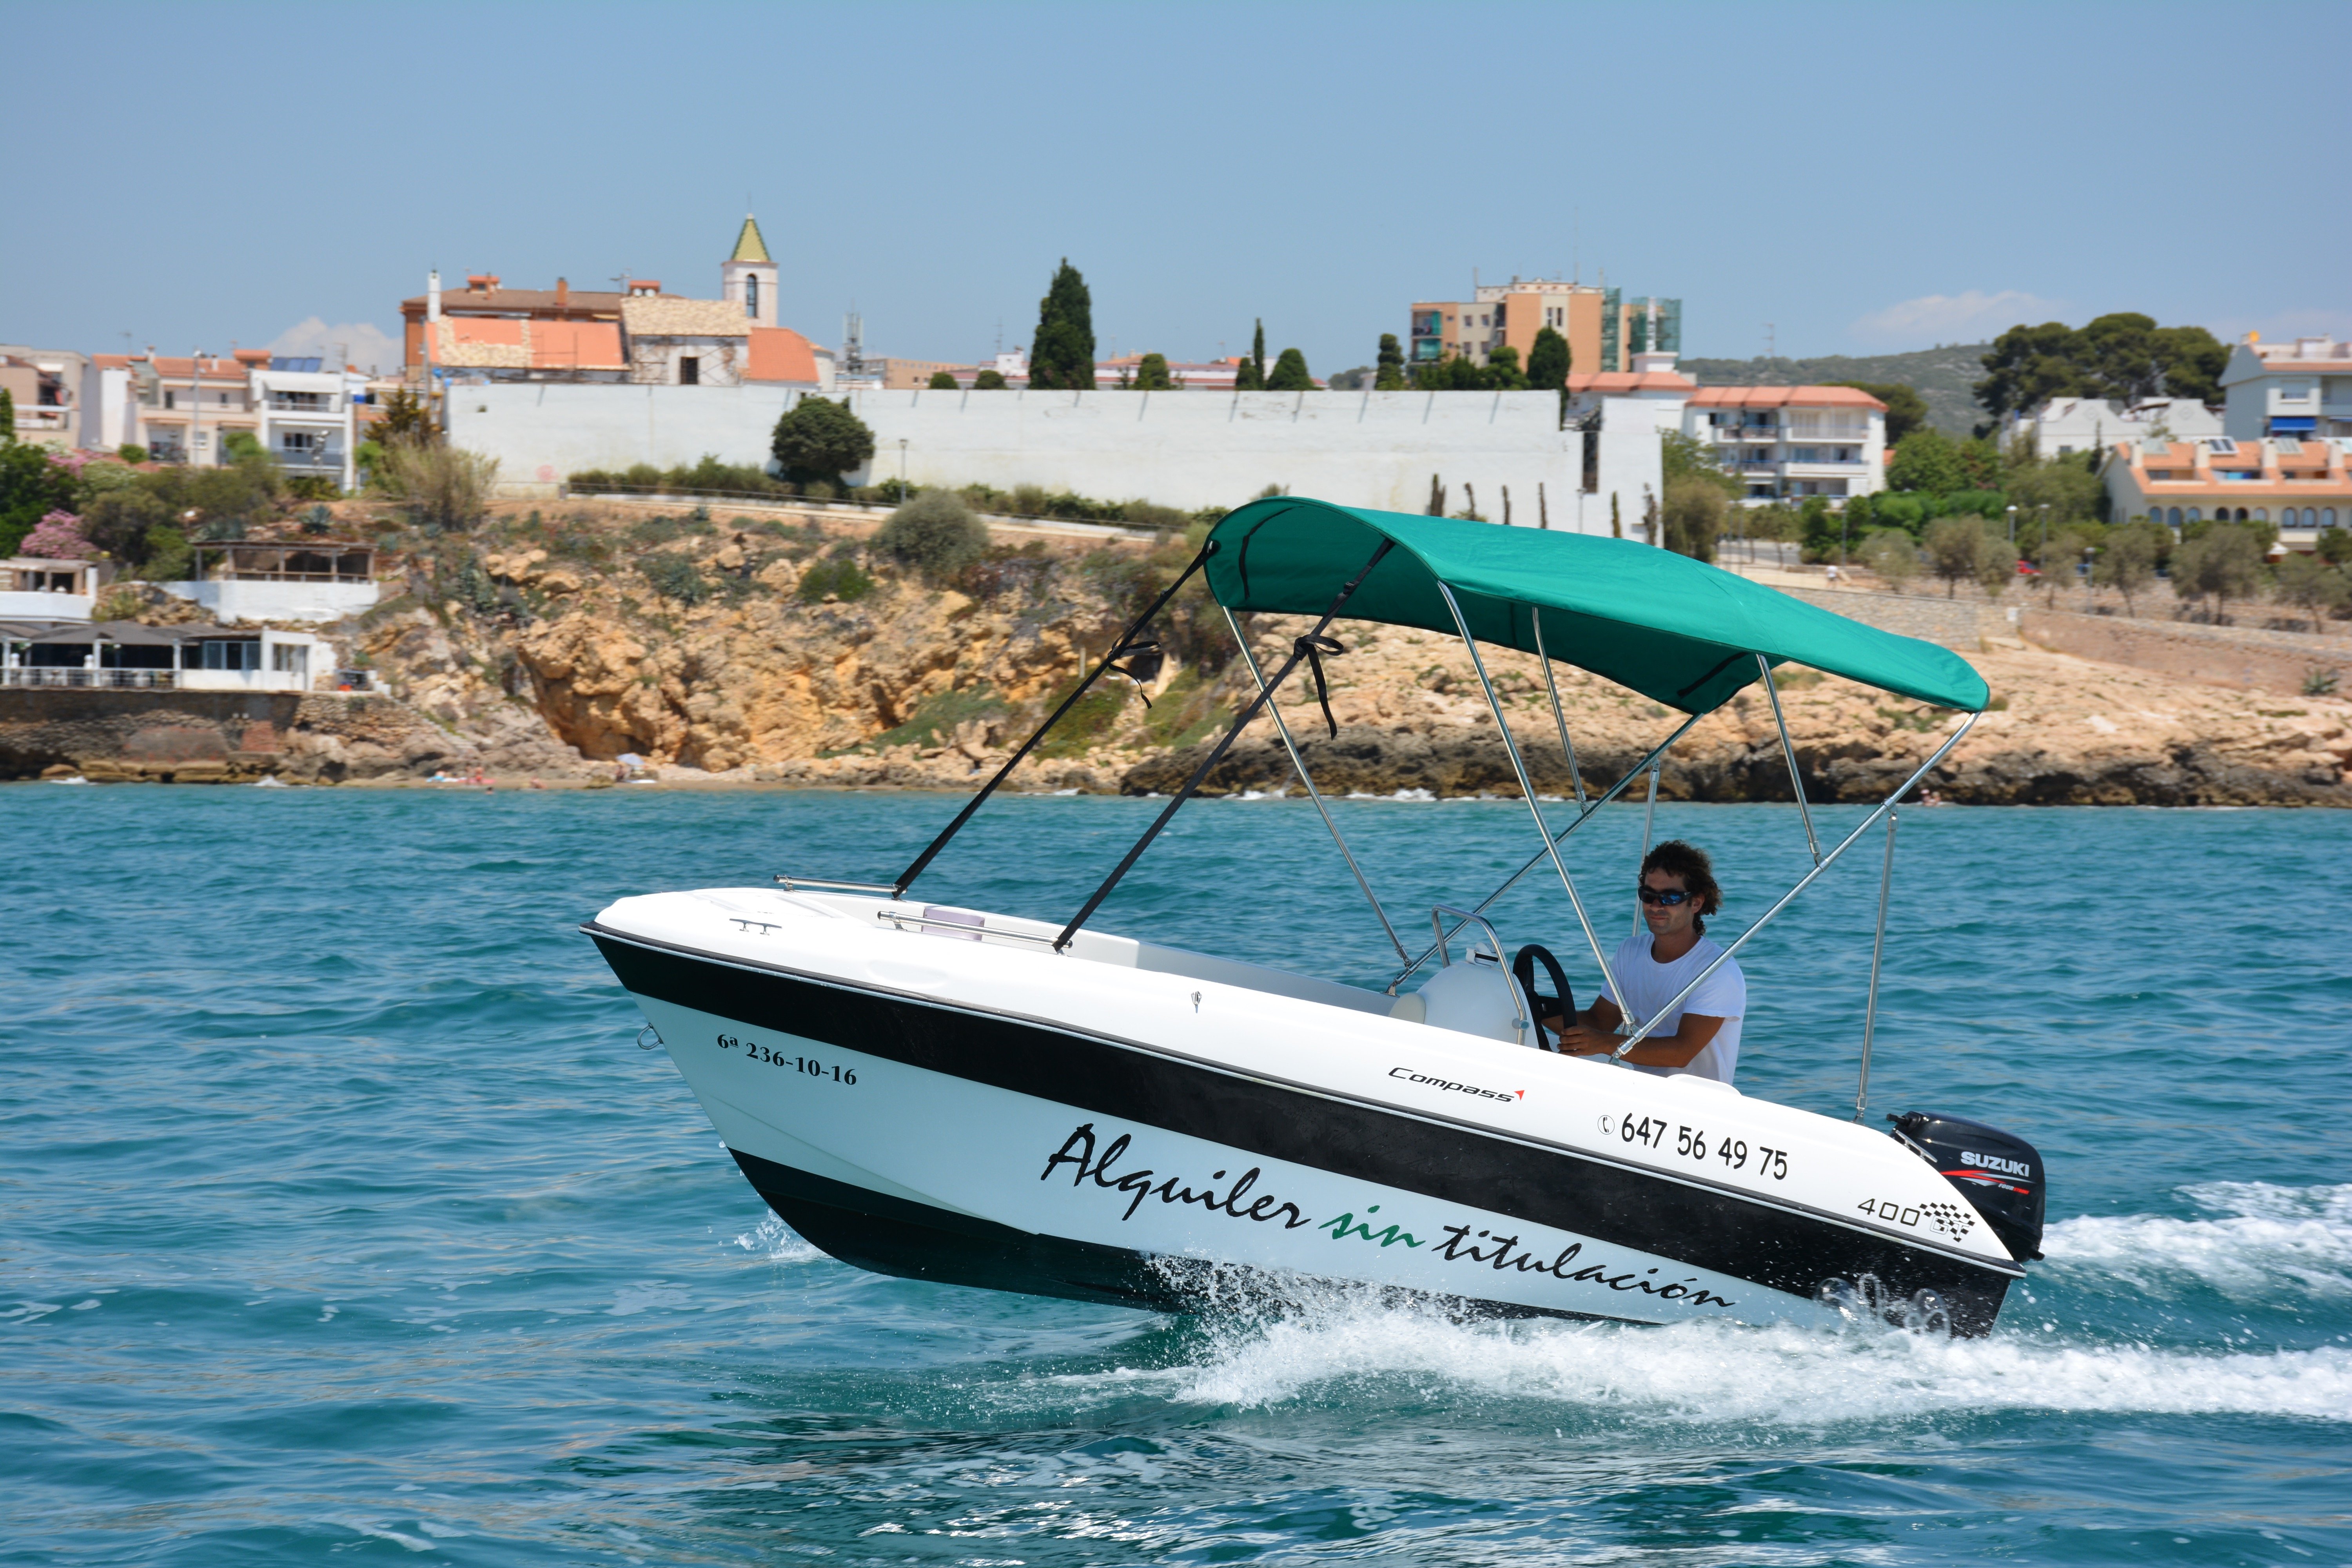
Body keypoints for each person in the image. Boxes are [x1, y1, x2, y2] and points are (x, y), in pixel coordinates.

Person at [1547, 839, 1746, 1084]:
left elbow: (1681, 1052)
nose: (1655, 906)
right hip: (1639, 1091)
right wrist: (1534, 1008)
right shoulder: (1630, 952)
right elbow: (1600, 1022)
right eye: (1648, 895)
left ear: (1696, 902)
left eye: (1670, 897)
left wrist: (1603, 1043)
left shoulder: (1718, 971)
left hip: (1696, 1105)